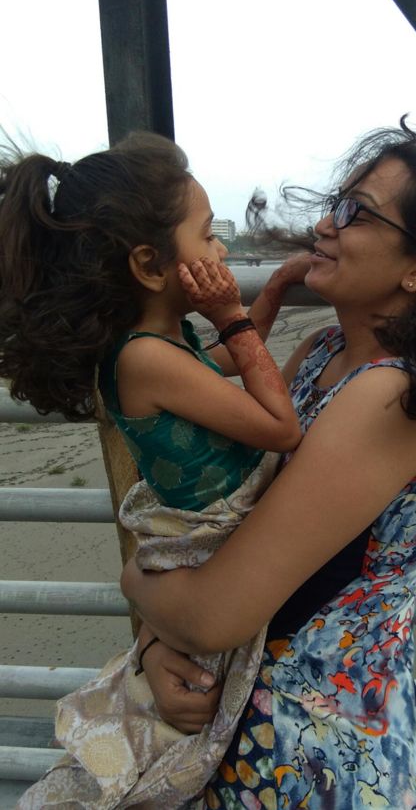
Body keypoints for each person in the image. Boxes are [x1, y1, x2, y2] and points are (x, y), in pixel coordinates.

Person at [120, 118, 416, 809]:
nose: (325, 224)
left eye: (357, 212)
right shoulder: (323, 354)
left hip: (320, 762)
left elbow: (210, 615)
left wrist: (133, 577)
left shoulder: (389, 399)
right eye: (335, 203)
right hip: (258, 739)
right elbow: (222, 524)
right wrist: (151, 646)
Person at [0, 132, 311, 807]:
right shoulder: (144, 358)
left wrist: (274, 291)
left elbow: (227, 360)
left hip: (203, 518)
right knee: (205, 706)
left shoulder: (162, 339)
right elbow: (280, 427)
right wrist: (231, 314)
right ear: (149, 264)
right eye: (207, 235)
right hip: (206, 533)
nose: (220, 252)